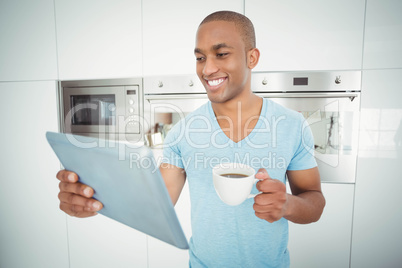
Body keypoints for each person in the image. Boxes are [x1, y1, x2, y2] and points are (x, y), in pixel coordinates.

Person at [56, 10, 325, 268]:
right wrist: (92, 199)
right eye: (200, 58)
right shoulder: (183, 132)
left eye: (221, 54)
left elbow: (314, 202)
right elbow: (154, 206)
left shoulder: (291, 125)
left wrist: (288, 204)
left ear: (252, 57)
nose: (207, 69)